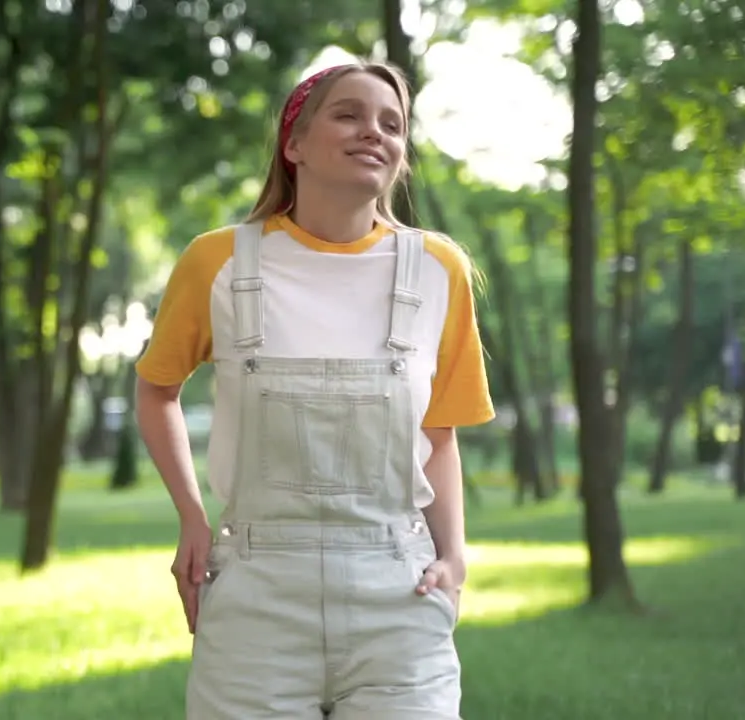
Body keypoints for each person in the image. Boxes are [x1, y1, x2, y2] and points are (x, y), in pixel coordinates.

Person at [133, 58, 495, 719]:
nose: (374, 133)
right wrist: (191, 514)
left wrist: (455, 559)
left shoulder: (438, 269)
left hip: (401, 598)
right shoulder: (218, 261)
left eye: (392, 124)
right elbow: (155, 390)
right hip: (255, 602)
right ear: (293, 142)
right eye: (348, 114)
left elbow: (437, 437)